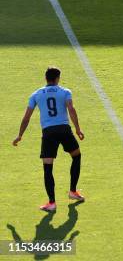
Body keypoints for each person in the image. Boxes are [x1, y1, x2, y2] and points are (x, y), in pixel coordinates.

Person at [12, 67, 86, 212]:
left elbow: (26, 117)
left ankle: (51, 203)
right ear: (57, 78)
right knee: (76, 156)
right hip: (64, 130)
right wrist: (77, 129)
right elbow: (71, 109)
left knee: (48, 167)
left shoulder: (36, 94)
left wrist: (20, 135)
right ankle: (73, 191)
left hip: (48, 132)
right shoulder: (65, 92)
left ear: (46, 78)